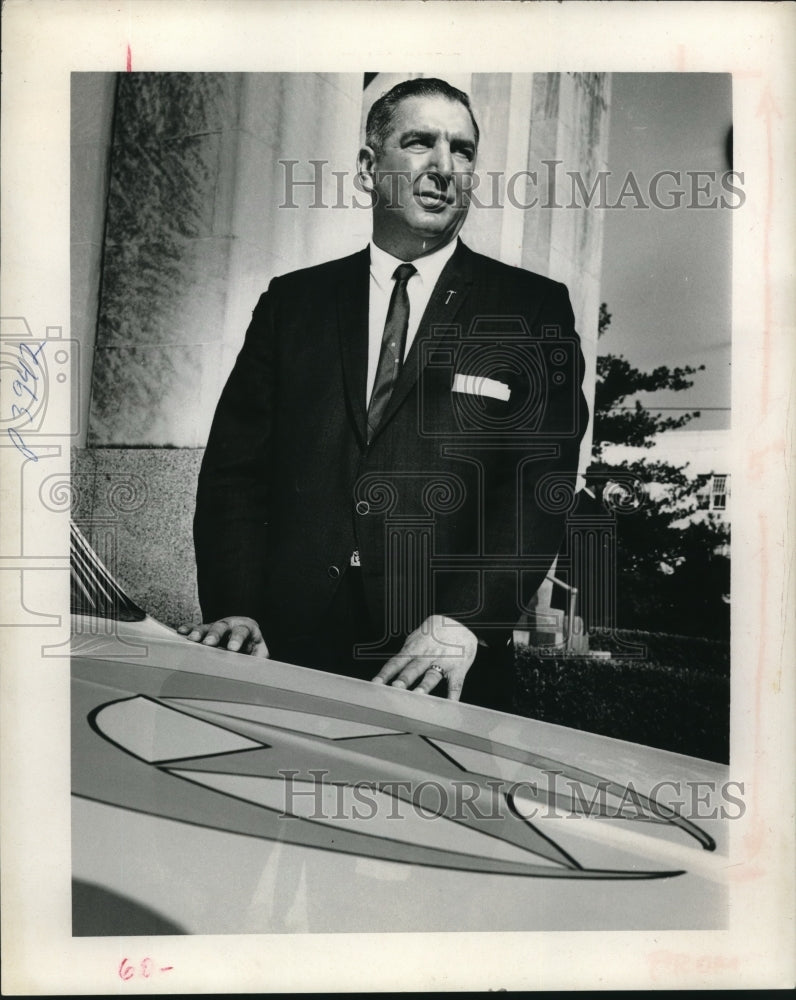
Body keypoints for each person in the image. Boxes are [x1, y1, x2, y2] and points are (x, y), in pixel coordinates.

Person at [179, 77, 588, 711]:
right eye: (420, 142)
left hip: (438, 667)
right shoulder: (293, 304)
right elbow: (236, 472)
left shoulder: (531, 309)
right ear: (370, 167)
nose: (443, 168)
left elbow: (540, 486)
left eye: (463, 150)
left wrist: (466, 621)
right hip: (282, 654)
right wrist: (236, 606)